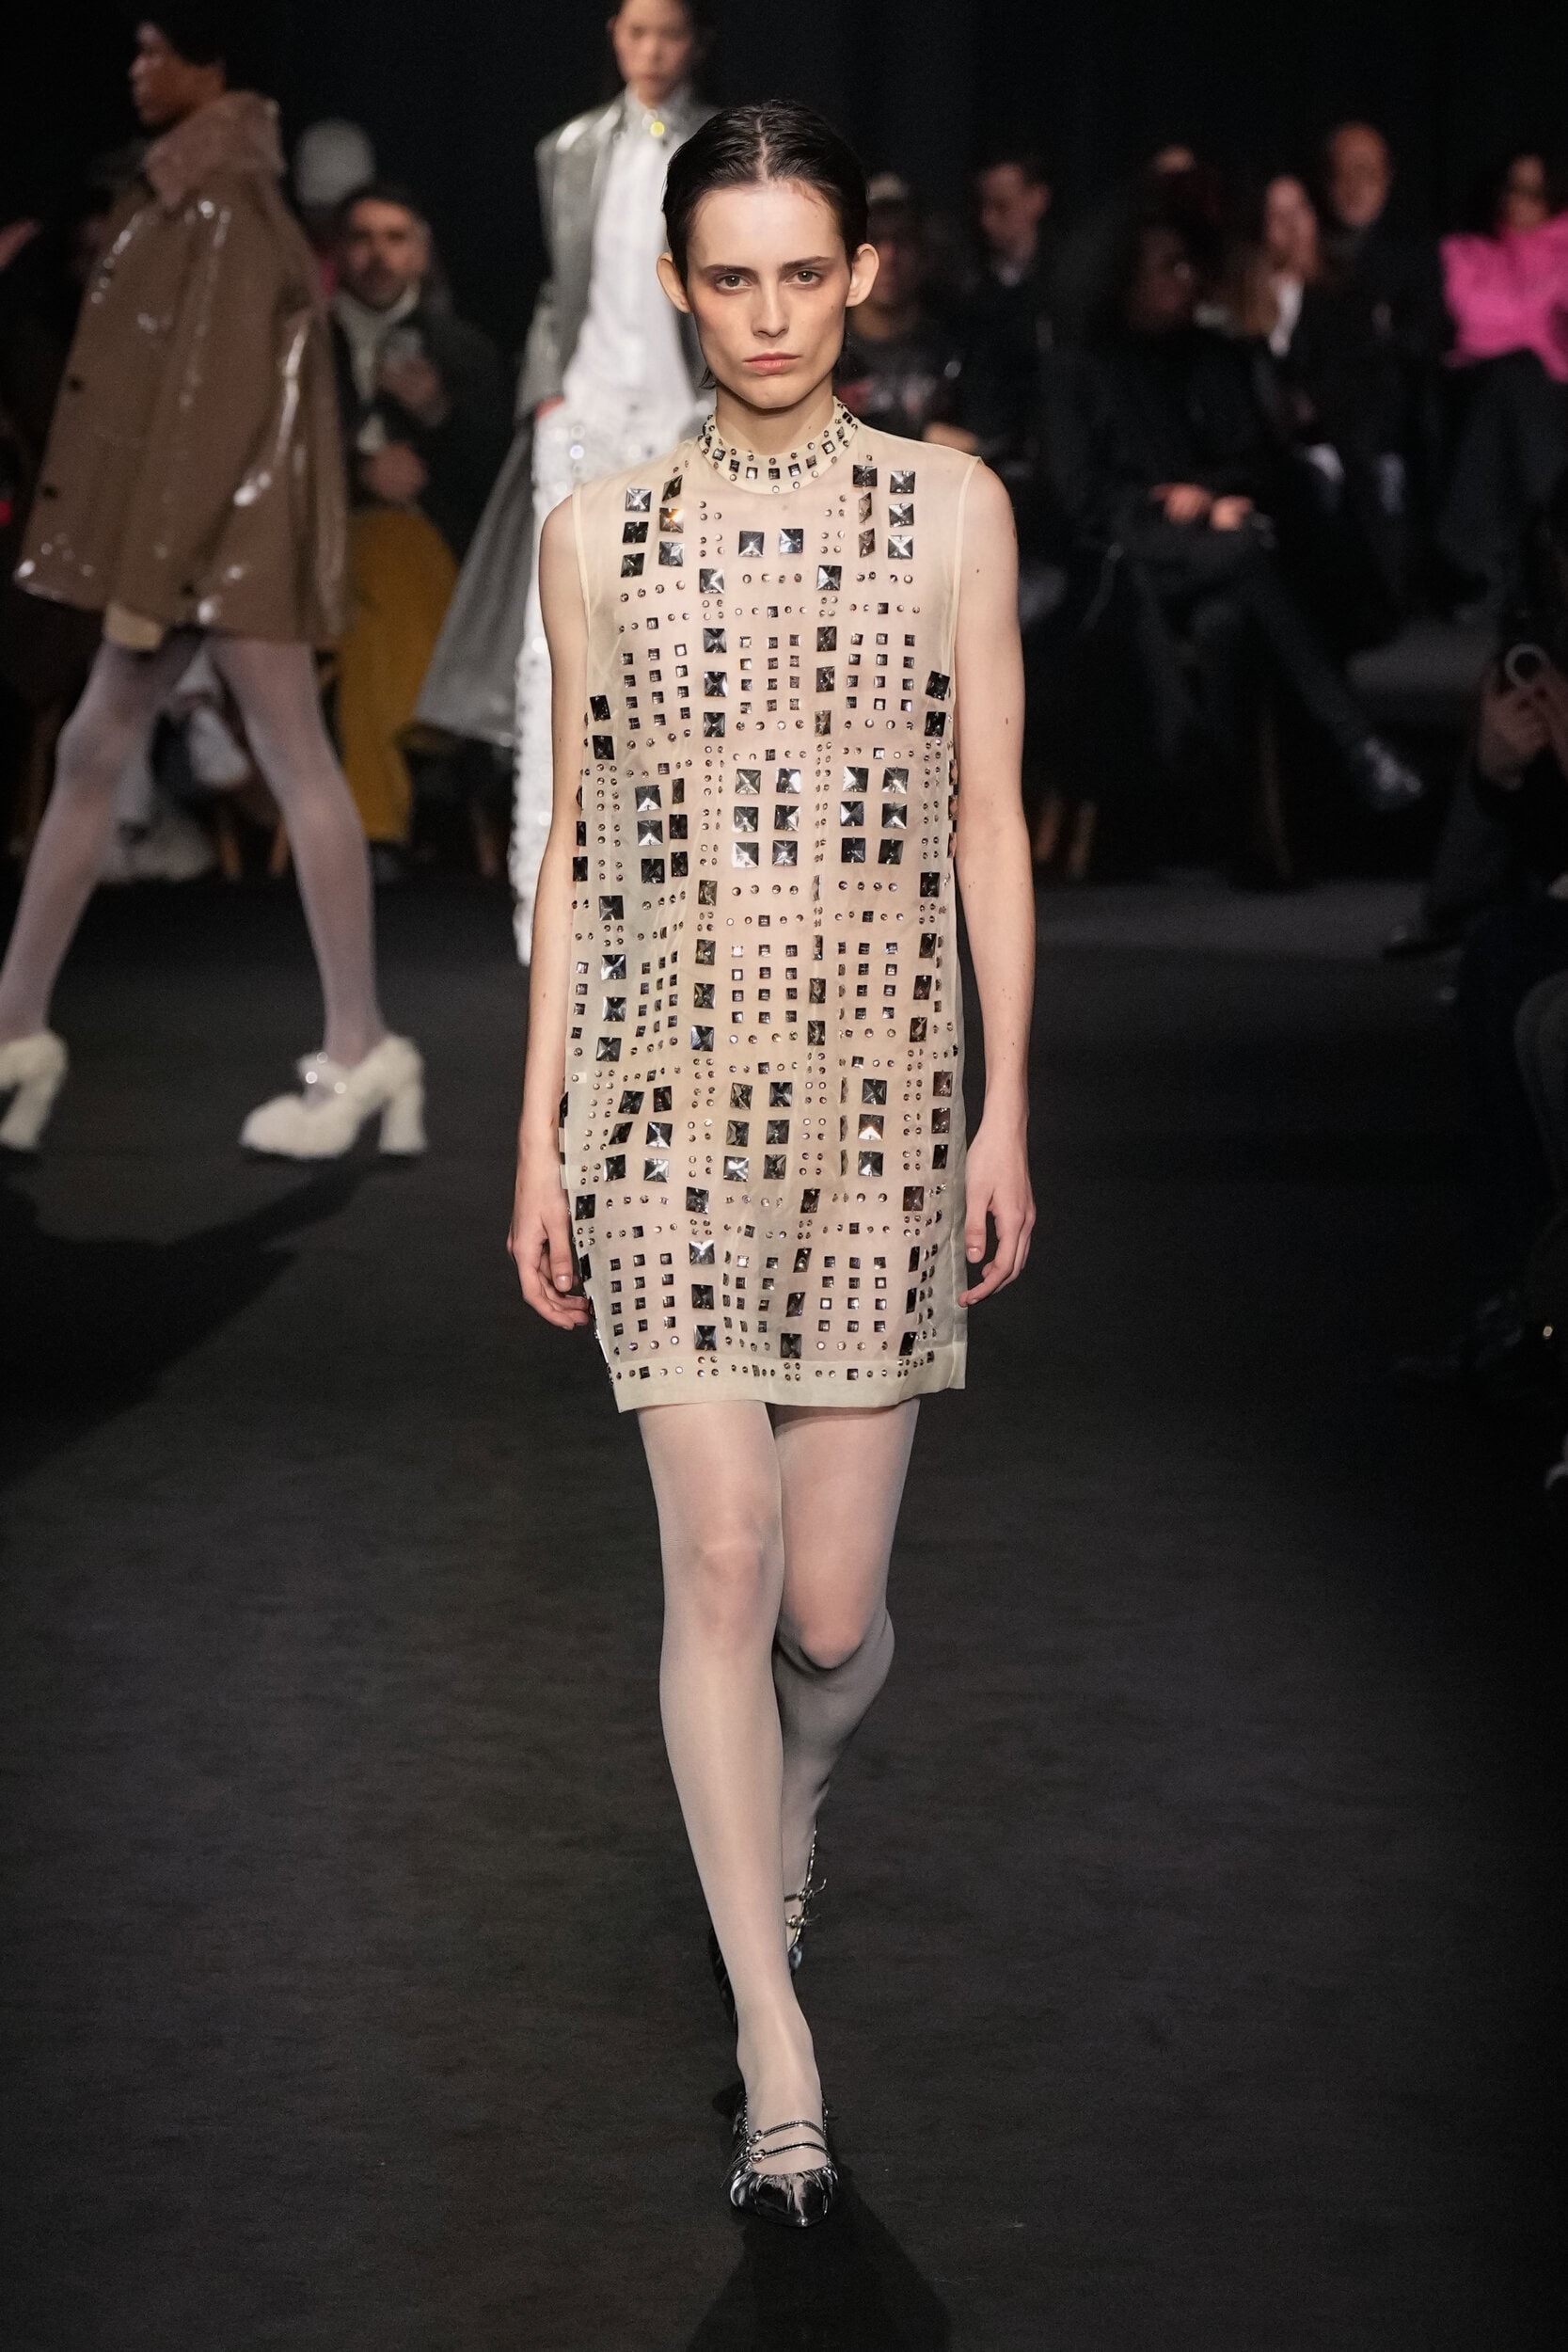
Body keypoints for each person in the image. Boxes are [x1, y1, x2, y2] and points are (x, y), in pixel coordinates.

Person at [506, 100, 1034, 2223]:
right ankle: (773, 2040)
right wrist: (540, 1137)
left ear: (859, 277)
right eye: (728, 278)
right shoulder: (594, 535)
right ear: (673, 286)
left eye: (801, 273)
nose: (767, 316)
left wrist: (1004, 1103)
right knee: (717, 1564)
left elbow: (986, 820)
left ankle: (789, 1805)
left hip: (881, 1101)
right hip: (655, 1101)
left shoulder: (951, 509)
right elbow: (575, 848)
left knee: (827, 1621)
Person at [0, 7, 421, 1159]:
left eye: (156, 50)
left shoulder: (222, 200)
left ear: (210, 61)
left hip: (213, 543)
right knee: (104, 748)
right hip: (212, 536)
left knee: (284, 758)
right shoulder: (202, 188)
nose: (136, 69)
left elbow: (210, 416)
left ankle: (360, 1045)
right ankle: (17, 1028)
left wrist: (156, 569)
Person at [416, 0, 714, 955]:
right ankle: (544, 901)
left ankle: (669, 905)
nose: (651, 50)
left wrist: (715, 401)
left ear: (694, 42)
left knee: (676, 650)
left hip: (678, 417)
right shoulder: (569, 149)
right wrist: (547, 392)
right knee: (554, 651)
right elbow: (563, 283)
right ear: (613, 36)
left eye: (669, 33)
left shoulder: (721, 148)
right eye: (636, 31)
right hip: (580, 415)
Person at [1046, 208, 1426, 847]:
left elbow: (1258, 463)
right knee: (1246, 552)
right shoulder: (1079, 370)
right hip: (1127, 560)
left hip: (1214, 554)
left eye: (1187, 264)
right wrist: (1171, 506)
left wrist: (1208, 495)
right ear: (1125, 280)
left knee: (1226, 622)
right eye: (1167, 267)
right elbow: (1081, 497)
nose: (1186, 278)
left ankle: (1231, 815)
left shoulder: (1212, 358)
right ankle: (1353, 740)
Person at [328, 181, 509, 863]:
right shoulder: (303, 344)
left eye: (395, 238)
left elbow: (500, 479)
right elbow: (268, 457)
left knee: (374, 617)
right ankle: (433, 736)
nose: (378, 255)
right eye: (362, 238)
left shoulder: (462, 351)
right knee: (380, 550)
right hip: (324, 545)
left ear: (421, 252)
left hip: (441, 555)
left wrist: (438, 416)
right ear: (337, 251)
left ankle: (376, 824)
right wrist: (359, 473)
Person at [1434, 152, 1568, 610]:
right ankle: (1524, 558)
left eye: (1532, 193)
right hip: (1477, 382)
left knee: (1519, 379)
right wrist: (1532, 314)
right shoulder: (1466, 252)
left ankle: (1474, 561)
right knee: (1507, 381)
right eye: (1511, 189)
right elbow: (1471, 318)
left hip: (1551, 389)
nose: (1517, 202)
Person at [946, 151, 1056, 469]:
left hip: (1050, 453)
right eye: (983, 207)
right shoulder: (966, 286)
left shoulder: (1066, 284)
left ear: (1037, 199)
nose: (987, 220)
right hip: (984, 450)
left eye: (1002, 207)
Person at [837, 177, 963, 440]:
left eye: (902, 240)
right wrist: (920, 435)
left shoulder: (957, 349)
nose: (889, 256)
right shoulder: (823, 352)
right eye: (873, 241)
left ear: (924, 253)